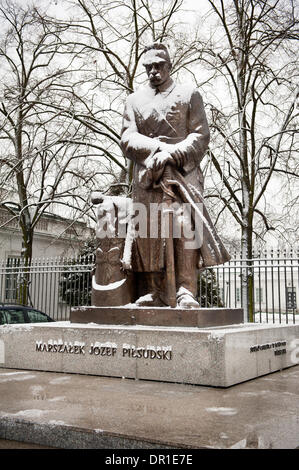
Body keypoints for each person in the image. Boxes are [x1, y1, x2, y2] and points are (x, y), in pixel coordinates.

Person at [121, 43, 230, 308]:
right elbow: (126, 137)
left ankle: (186, 290)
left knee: (183, 227)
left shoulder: (188, 94)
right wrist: (156, 149)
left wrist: (172, 153)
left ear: (169, 65)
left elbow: (200, 135)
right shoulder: (134, 101)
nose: (153, 72)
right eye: (148, 67)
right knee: (148, 230)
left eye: (159, 66)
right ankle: (154, 291)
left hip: (182, 173)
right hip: (149, 175)